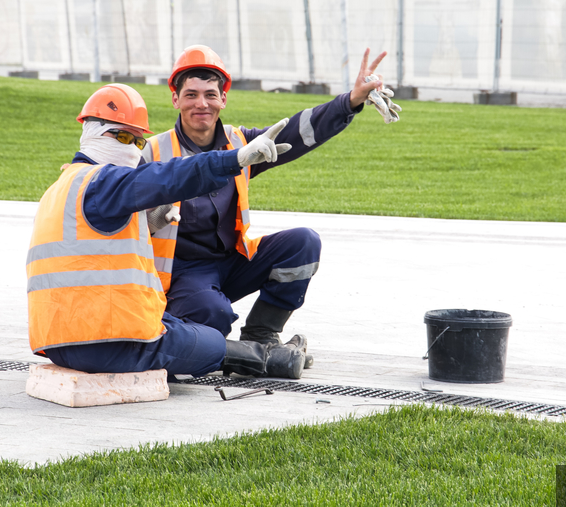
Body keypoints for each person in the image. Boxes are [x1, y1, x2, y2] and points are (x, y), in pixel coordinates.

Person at [26, 83, 309, 379]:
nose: (131, 147)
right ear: (92, 131)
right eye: (122, 136)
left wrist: (147, 224)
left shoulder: (63, 187)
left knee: (182, 329)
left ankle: (266, 352)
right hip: (109, 341)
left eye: (137, 142)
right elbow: (169, 176)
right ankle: (276, 360)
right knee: (209, 341)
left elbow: (86, 247)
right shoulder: (103, 182)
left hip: (62, 340)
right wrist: (234, 159)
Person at [141, 45, 399, 369]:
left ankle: (260, 335)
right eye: (191, 95)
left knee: (303, 244)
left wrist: (350, 101)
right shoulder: (153, 152)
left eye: (210, 94)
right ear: (175, 99)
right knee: (212, 318)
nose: (201, 103)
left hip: (233, 261)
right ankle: (248, 357)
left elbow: (300, 130)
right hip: (182, 273)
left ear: (224, 98)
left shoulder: (241, 145)